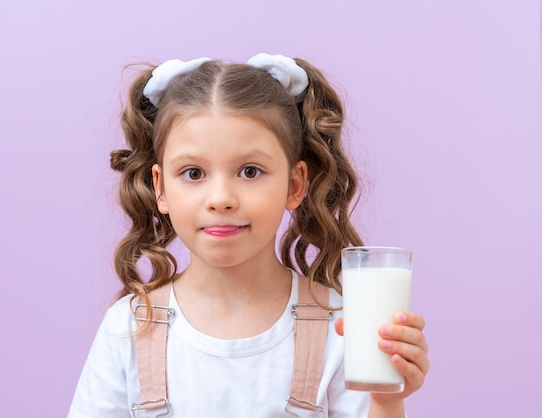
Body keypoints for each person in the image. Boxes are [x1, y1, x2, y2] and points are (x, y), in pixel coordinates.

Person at [68, 53, 429, 417]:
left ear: (294, 184)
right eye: (193, 173)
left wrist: (386, 400)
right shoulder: (129, 327)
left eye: (250, 171)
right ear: (160, 188)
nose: (221, 199)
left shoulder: (341, 326)